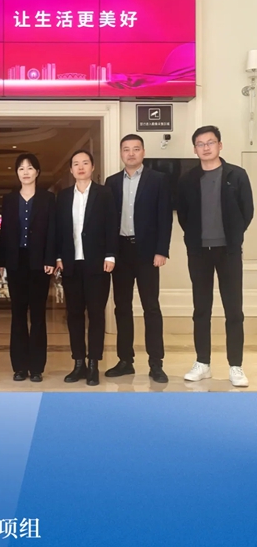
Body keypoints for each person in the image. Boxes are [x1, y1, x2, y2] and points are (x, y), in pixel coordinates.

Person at [178, 125, 254, 387]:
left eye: (210, 142)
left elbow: (247, 211)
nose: (206, 147)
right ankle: (203, 363)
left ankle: (236, 366)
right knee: (201, 308)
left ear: (220, 145)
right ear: (195, 149)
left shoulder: (236, 174)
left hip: (228, 251)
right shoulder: (187, 179)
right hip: (199, 251)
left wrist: (233, 235)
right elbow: (184, 215)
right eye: (200, 144)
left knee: (234, 310)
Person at [105, 134, 172, 383]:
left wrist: (161, 250)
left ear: (143, 152)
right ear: (121, 153)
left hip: (147, 253)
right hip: (121, 252)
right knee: (122, 307)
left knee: (151, 307)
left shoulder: (158, 180)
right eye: (126, 149)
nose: (131, 153)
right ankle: (125, 361)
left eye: (135, 149)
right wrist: (109, 252)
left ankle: (156, 363)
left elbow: (165, 217)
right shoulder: (111, 182)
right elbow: (108, 220)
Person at [56, 149, 118, 386]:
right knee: (74, 314)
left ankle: (94, 364)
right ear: (71, 170)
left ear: (92, 167)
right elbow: (59, 230)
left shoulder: (105, 193)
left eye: (85, 163)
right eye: (76, 164)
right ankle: (78, 362)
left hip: (97, 263)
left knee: (96, 314)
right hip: (71, 263)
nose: (80, 167)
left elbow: (112, 225)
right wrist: (58, 256)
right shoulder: (63, 197)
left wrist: (111, 255)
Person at [0, 153, 56, 382]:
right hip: (16, 262)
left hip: (39, 263)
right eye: (21, 168)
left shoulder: (48, 199)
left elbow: (52, 231)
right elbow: (5, 233)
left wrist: (50, 259)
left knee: (38, 315)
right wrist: (2, 262)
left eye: (30, 167)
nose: (25, 172)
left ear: (37, 172)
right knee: (18, 314)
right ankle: (20, 366)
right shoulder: (9, 199)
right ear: (17, 173)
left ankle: (37, 367)